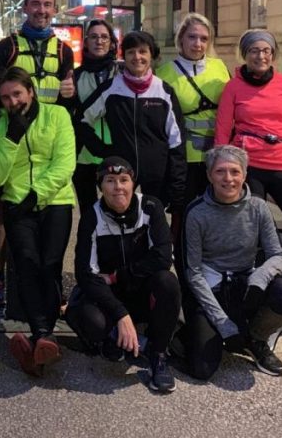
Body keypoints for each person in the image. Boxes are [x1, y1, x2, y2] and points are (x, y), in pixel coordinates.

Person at [214, 29, 282, 347]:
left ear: (273, 54)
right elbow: (222, 132)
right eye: (253, 50)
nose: (260, 56)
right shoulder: (234, 87)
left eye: (266, 50)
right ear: (245, 54)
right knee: (257, 240)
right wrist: (220, 172)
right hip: (251, 169)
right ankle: (263, 305)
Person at [0, 0, 76, 307]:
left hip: (48, 132)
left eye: (47, 5)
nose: (41, 10)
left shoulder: (63, 51)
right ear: (25, 8)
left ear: (55, 9)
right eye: (36, 4)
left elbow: (67, 93)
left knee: (48, 206)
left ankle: (46, 281)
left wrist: (69, 94)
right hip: (14, 129)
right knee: (4, 206)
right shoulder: (7, 47)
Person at [0, 66, 77, 376]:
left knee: (50, 264)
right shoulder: (0, 126)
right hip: (16, 204)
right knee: (25, 263)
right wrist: (12, 137)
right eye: (5, 97)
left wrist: (36, 195)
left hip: (55, 201)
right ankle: (44, 336)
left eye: (17, 94)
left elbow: (64, 164)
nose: (13, 102)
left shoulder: (57, 116)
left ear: (31, 91)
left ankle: (40, 340)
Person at [182, 145, 282, 379]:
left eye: (235, 172)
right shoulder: (196, 213)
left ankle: (255, 339)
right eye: (220, 171)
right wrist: (223, 324)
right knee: (202, 370)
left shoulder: (258, 207)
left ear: (245, 175)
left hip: (247, 285)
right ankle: (189, 336)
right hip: (212, 288)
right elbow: (193, 272)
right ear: (209, 176)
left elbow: (279, 255)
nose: (228, 179)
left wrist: (259, 278)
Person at [65, 157, 180, 392]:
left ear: (133, 183)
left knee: (168, 282)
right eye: (110, 181)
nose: (118, 187)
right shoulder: (92, 216)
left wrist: (118, 276)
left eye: (124, 180)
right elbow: (85, 274)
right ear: (101, 186)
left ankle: (158, 354)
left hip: (137, 288)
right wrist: (120, 313)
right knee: (90, 320)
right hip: (109, 296)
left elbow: (162, 258)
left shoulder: (150, 207)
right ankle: (120, 338)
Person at [80, 30, 187, 211]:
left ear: (151, 55)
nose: (137, 57)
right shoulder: (111, 89)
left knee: (153, 221)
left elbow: (176, 141)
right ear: (124, 56)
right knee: (120, 219)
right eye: (131, 52)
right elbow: (82, 121)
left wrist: (177, 185)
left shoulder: (164, 91)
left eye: (143, 51)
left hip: (156, 175)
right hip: (121, 175)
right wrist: (103, 150)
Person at [157, 13, 230, 201]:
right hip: (183, 157)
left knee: (218, 209)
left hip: (217, 154)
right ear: (181, 37)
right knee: (185, 210)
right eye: (192, 37)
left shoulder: (220, 67)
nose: (198, 44)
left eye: (204, 39)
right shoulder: (164, 74)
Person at [62, 19, 118, 212]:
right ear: (85, 42)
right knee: (88, 210)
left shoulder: (122, 74)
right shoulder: (75, 76)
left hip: (115, 150)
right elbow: (69, 114)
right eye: (93, 37)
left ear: (112, 42)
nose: (99, 41)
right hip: (84, 155)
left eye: (104, 37)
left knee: (116, 207)